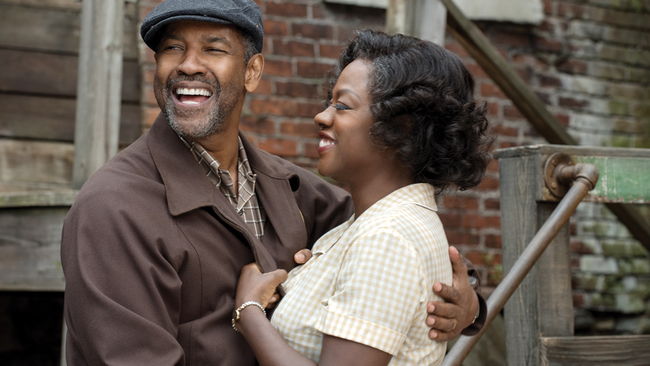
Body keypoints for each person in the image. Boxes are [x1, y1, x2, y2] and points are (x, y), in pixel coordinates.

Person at [60, 1, 484, 365]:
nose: (188, 64)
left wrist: (470, 303)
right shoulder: (114, 208)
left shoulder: (295, 190)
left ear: (252, 71)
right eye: (173, 48)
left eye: (213, 48)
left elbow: (394, 246)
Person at [232, 29, 492, 366]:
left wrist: (249, 311)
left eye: (342, 105)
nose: (321, 116)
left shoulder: (386, 237)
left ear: (400, 128)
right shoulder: (367, 225)